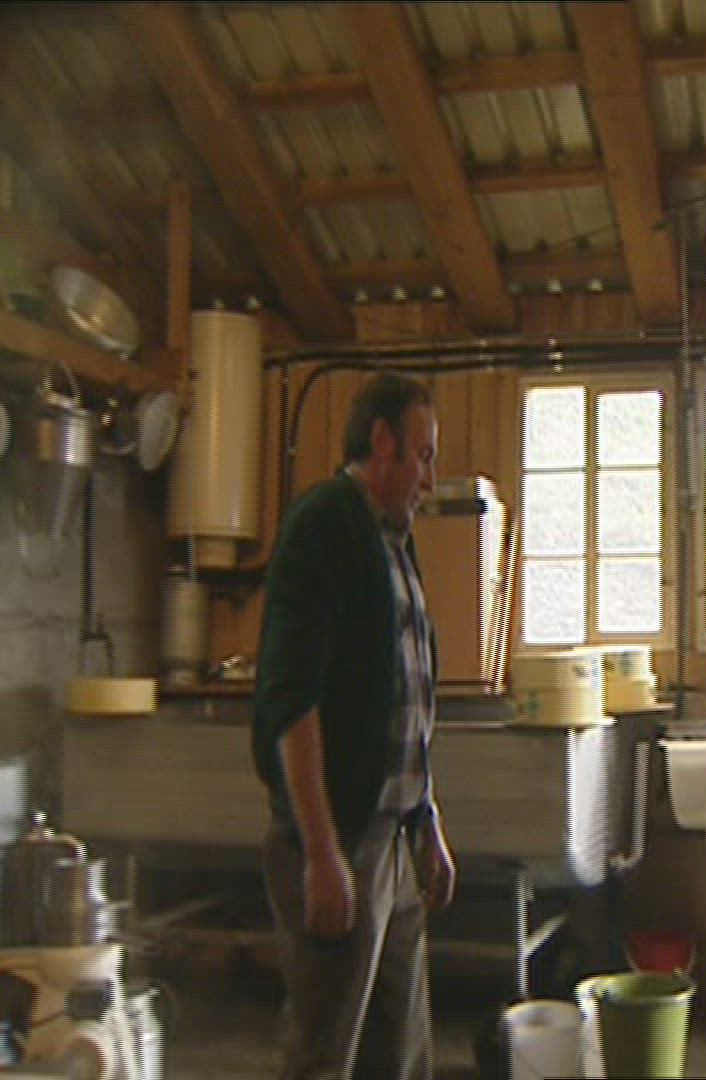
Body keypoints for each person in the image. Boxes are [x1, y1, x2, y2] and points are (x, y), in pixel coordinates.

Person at [253, 371, 455, 1079]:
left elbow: (404, 697)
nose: (430, 478)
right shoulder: (325, 524)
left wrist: (426, 820)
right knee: (326, 1055)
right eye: (422, 455)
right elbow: (291, 698)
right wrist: (321, 851)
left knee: (401, 1049)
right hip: (341, 841)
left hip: (393, 841)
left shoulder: (393, 541)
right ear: (382, 440)